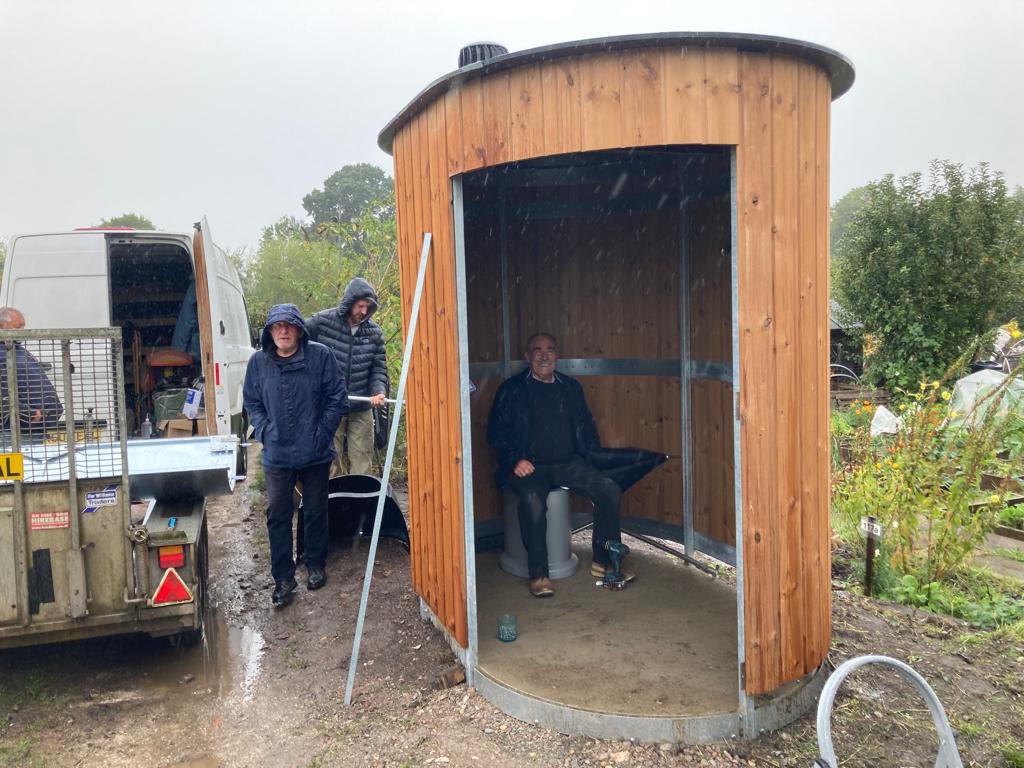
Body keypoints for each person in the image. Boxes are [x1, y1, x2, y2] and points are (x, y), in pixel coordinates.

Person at [487, 332, 635, 598]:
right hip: (528, 466)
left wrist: (595, 459)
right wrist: (514, 461)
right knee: (532, 503)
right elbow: (496, 433)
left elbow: (586, 428)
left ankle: (604, 561)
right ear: (527, 356)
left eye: (550, 350)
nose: (544, 356)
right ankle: (539, 575)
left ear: (557, 355)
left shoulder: (570, 387)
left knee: (608, 488)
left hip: (568, 462)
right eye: (538, 350)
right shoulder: (511, 389)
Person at [243, 304, 348, 606]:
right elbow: (251, 402)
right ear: (270, 332)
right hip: (277, 454)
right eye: (277, 326)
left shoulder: (320, 356)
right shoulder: (258, 364)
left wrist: (322, 433)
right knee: (278, 514)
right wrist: (264, 431)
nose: (283, 331)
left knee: (315, 509)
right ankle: (283, 577)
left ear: (300, 329)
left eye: (289, 325)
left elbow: (337, 397)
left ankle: (315, 565)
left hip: (315, 451)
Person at [306, 277, 389, 477]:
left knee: (362, 462)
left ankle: (361, 505)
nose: (363, 311)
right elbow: (297, 342)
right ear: (349, 302)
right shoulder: (321, 322)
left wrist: (379, 391)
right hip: (330, 405)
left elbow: (378, 369)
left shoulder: (375, 333)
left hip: (361, 407)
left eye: (367, 307)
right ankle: (332, 505)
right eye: (360, 305)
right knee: (330, 461)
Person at [0, 307, 64, 433]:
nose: (22, 331)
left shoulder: (17, 349)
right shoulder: (3, 354)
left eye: (23, 326)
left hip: (35, 427)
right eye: (17, 327)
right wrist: (30, 414)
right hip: (17, 431)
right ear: (2, 326)